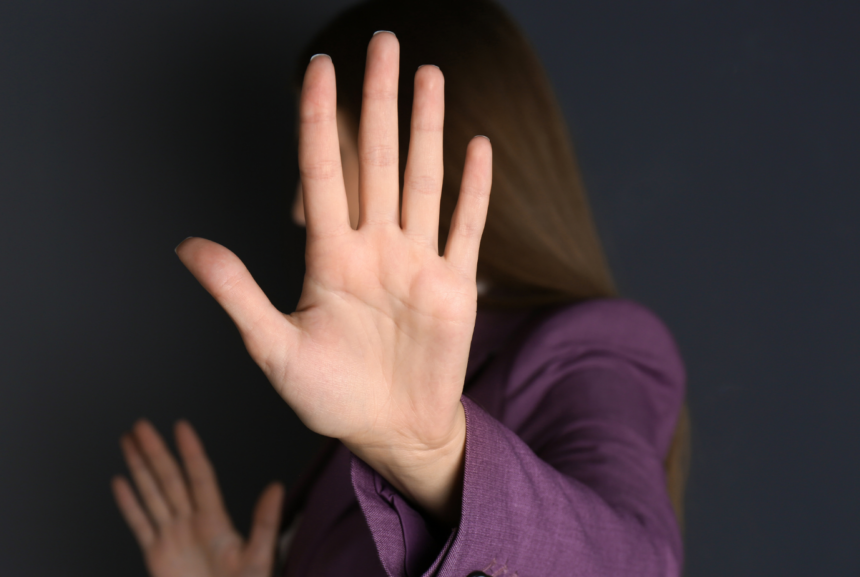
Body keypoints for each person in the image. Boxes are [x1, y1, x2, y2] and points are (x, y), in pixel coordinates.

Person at [110, 0, 690, 575]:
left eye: (332, 158)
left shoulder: (586, 345)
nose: (296, 209)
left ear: (423, 155)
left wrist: (426, 453)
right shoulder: (370, 378)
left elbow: (635, 567)